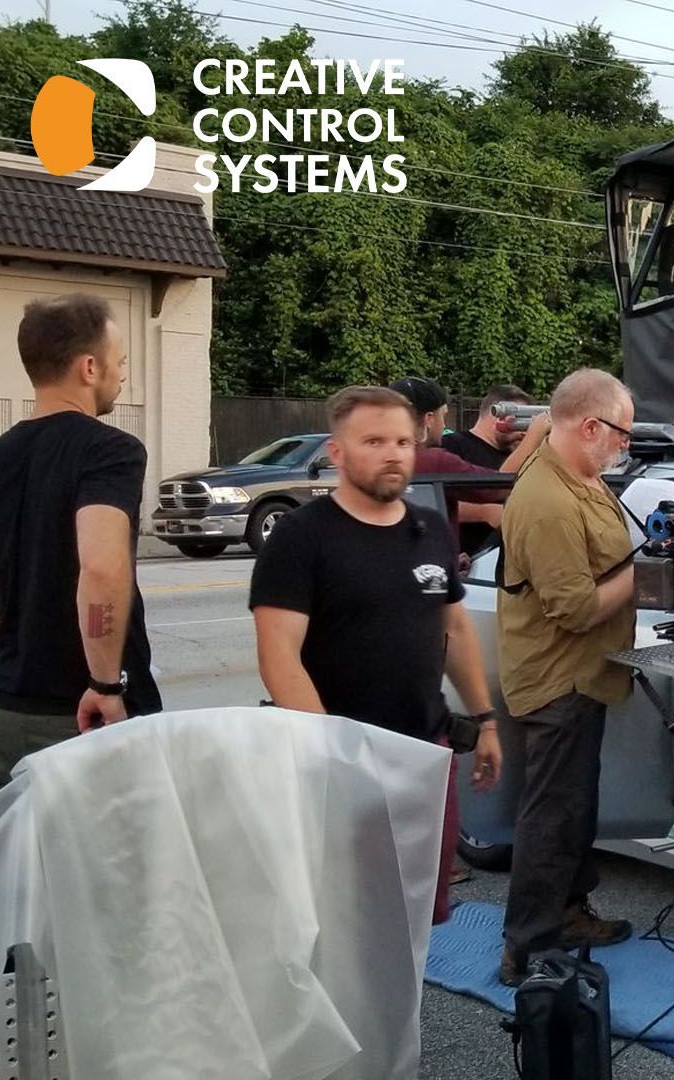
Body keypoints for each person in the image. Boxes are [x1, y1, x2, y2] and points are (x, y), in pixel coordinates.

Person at [249, 385, 503, 923]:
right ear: (336, 453)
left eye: (404, 441)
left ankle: (402, 1009)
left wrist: (485, 721)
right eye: (374, 441)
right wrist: (334, 758)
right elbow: (278, 657)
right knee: (344, 921)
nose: (393, 453)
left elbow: (453, 627)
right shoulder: (301, 538)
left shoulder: (428, 528)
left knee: (418, 916)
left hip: (424, 756)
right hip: (341, 763)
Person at [0, 295, 160, 804]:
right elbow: (101, 565)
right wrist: (106, 684)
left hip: (0, 715)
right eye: (121, 362)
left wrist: (27, 631)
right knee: (106, 878)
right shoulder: (110, 451)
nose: (123, 375)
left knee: (16, 878)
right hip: (84, 718)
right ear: (89, 367)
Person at [496, 368, 639, 985]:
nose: (625, 445)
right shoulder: (548, 500)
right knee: (551, 816)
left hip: (584, 677)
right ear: (590, 426)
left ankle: (570, 913)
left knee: (575, 807)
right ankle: (525, 949)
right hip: (558, 682)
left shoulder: (581, 478)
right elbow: (576, 609)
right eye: (622, 433)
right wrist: (646, 574)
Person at [388, 376, 543, 552]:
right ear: (429, 419)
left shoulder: (380, 460)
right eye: (443, 415)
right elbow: (498, 486)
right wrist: (535, 436)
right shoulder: (437, 458)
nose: (445, 424)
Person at [443, 384, 533, 469]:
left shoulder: (514, 451)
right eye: (520, 418)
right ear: (496, 412)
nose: (524, 429)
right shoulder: (452, 445)